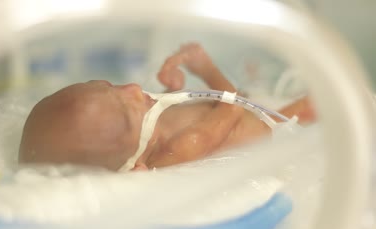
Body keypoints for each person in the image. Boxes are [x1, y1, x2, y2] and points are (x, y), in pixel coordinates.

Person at [19, 43, 315, 171]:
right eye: (125, 111)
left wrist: (172, 90)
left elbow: (184, 109)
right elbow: (234, 105)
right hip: (273, 128)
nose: (133, 89)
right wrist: (205, 66)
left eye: (109, 85)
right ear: (133, 165)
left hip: (247, 109)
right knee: (317, 106)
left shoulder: (151, 130)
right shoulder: (182, 147)